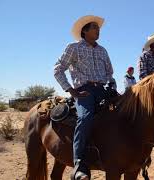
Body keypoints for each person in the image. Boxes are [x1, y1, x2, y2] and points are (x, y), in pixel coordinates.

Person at [54, 15, 116, 180]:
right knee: (85, 117)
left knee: (125, 112)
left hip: (102, 89)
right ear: (85, 31)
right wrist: (71, 90)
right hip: (84, 90)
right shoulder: (73, 47)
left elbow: (110, 71)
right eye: (94, 27)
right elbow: (58, 69)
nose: (98, 30)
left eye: (98, 28)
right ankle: (79, 165)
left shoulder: (103, 50)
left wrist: (111, 84)